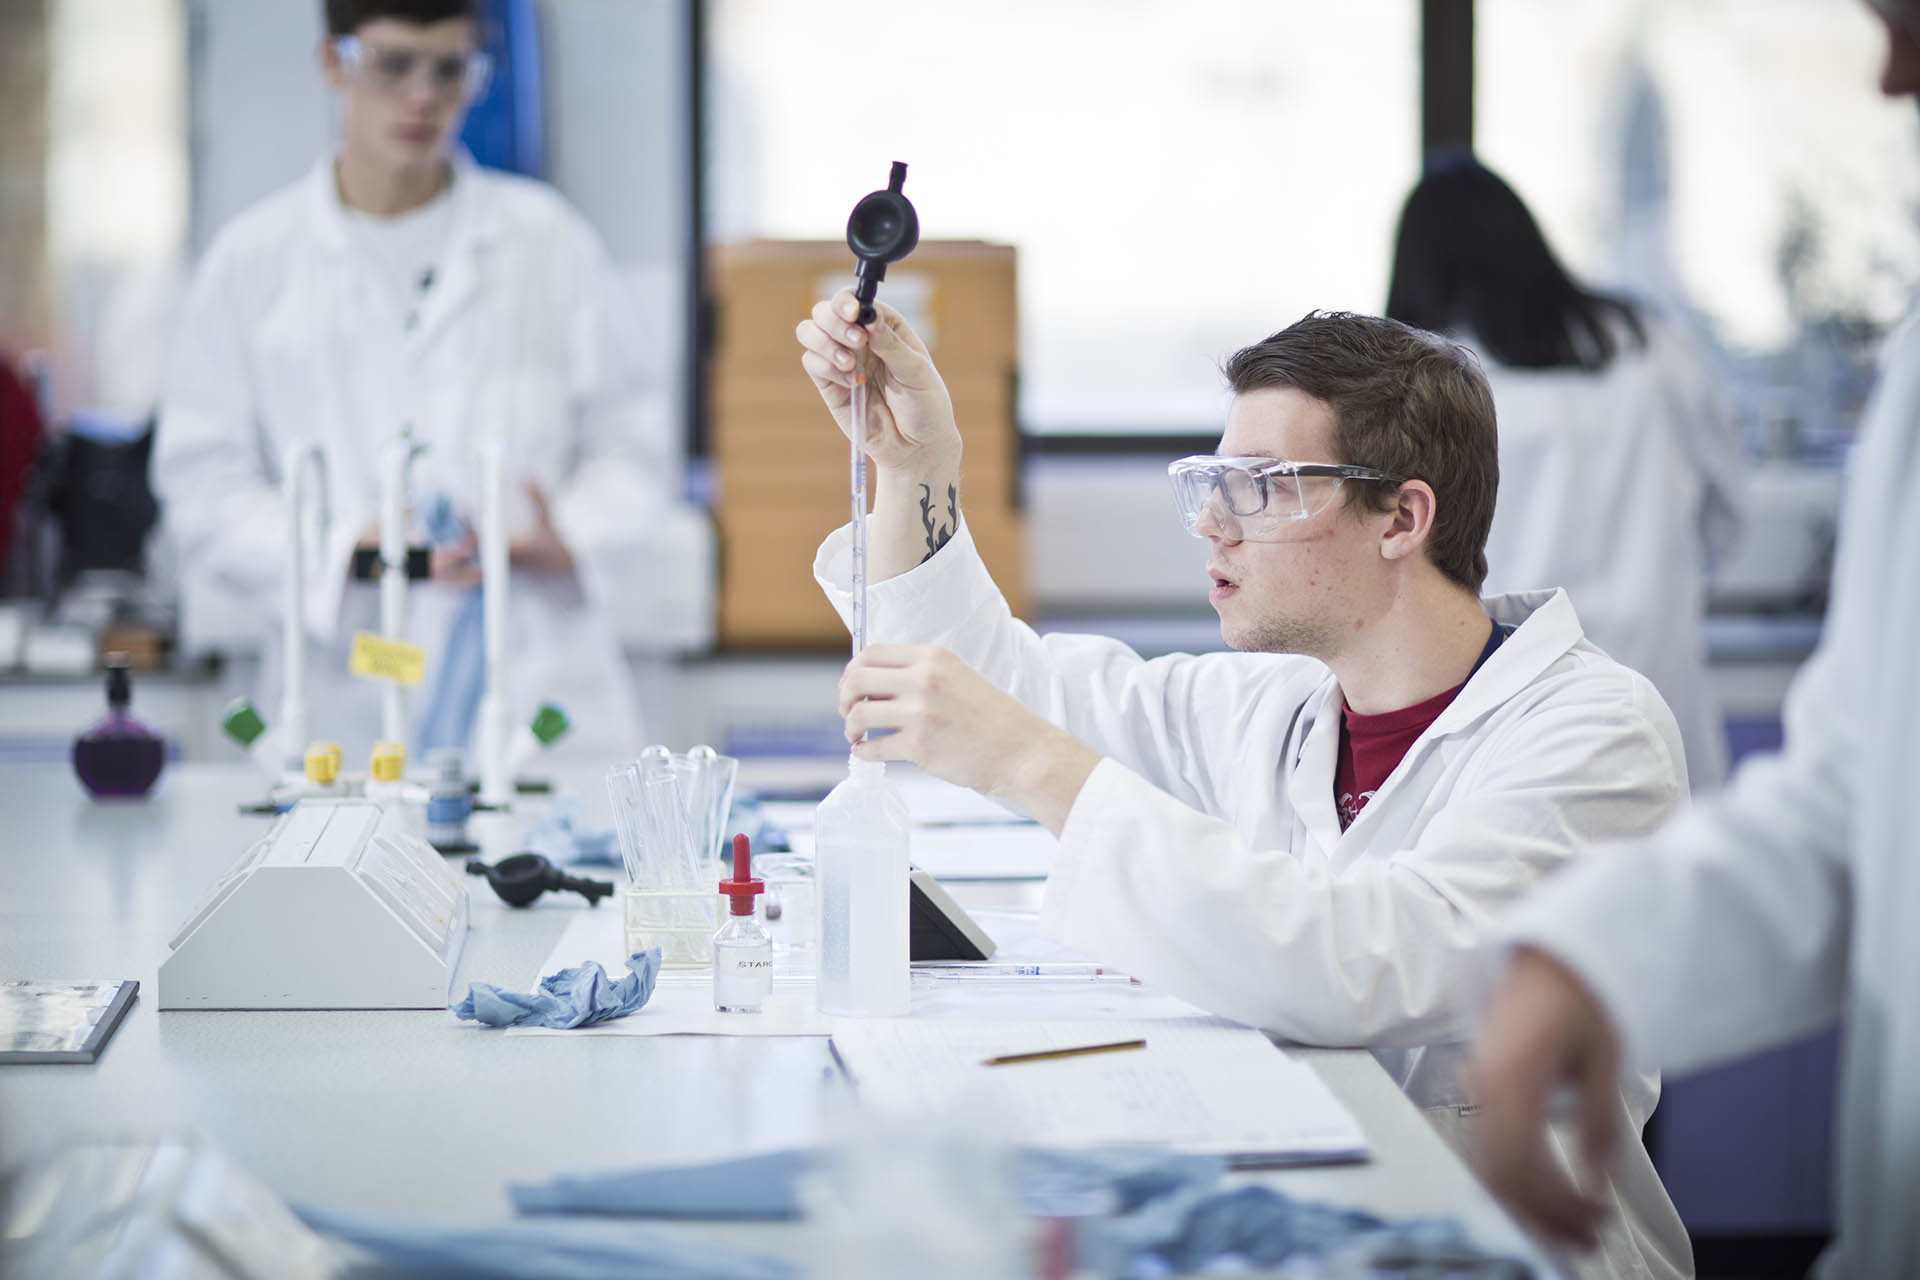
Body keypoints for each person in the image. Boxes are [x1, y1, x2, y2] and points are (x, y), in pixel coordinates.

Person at [796, 298, 1692, 1279]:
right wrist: (914, 463)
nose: (1214, 525)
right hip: (1325, 1232)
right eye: (1212, 483)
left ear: (1402, 515)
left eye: (1261, 487)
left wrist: (1032, 764)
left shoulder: (1596, 733)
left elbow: (1369, 960)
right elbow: (986, 684)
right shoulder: (1279, 704)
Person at [1470, 6, 1920, 1275]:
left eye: (1904, 24)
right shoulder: (1657, 344)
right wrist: (1592, 962)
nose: (1888, 78)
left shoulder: (1459, 369)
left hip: (1530, 710)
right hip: (1655, 696)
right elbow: (1851, 814)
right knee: (1631, 1069)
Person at [153, 0, 703, 765]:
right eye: (393, 65)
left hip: (538, 684)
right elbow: (203, 486)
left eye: (449, 69)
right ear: (330, 62)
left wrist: (565, 537)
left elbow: (635, 447)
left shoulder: (547, 241)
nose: (423, 97)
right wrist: (349, 547)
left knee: (547, 865)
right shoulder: (254, 262)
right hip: (348, 682)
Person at [1386, 153, 1744, 790]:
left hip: (1505, 691)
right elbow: (1725, 514)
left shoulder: (1422, 383)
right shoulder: (1650, 345)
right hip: (1656, 674)